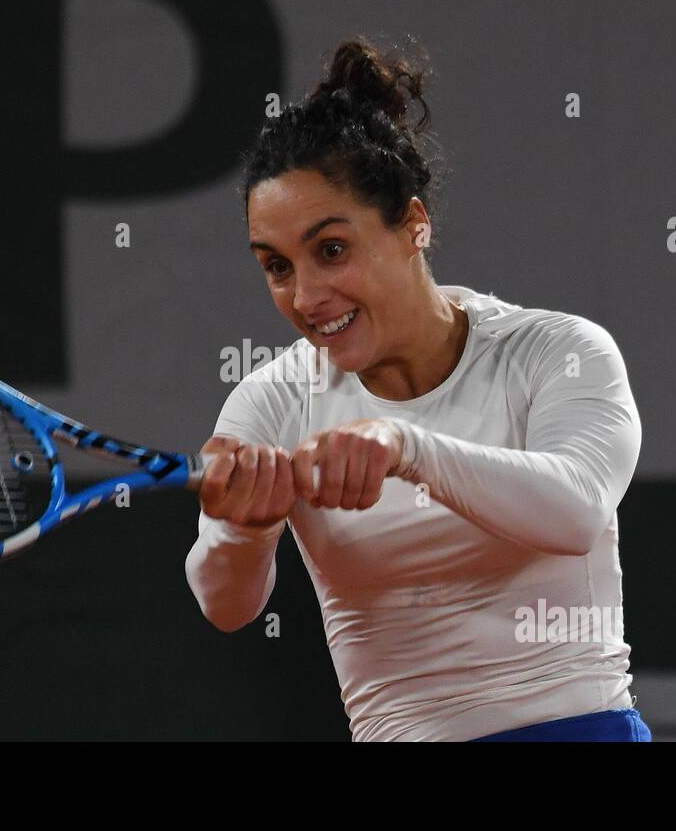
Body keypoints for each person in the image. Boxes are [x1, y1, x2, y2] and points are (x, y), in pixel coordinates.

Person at [185, 36, 649, 742]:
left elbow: (578, 507)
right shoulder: (272, 401)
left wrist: (404, 446)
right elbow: (226, 605)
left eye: (331, 249)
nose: (307, 295)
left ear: (413, 224)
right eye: (277, 265)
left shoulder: (558, 351)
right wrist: (243, 528)